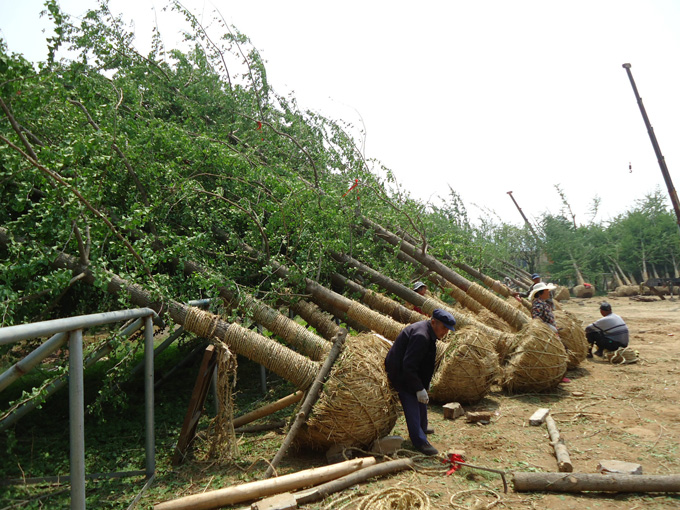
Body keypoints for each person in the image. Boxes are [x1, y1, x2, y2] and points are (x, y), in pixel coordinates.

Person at [384, 308, 456, 456]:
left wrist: (424, 383)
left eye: (448, 330)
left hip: (411, 371)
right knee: (411, 399)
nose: (445, 332)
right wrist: (417, 387)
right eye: (444, 328)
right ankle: (419, 441)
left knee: (422, 399)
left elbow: (423, 361)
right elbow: (408, 366)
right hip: (400, 373)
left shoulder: (429, 332)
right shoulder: (421, 336)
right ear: (434, 322)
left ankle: (422, 427)